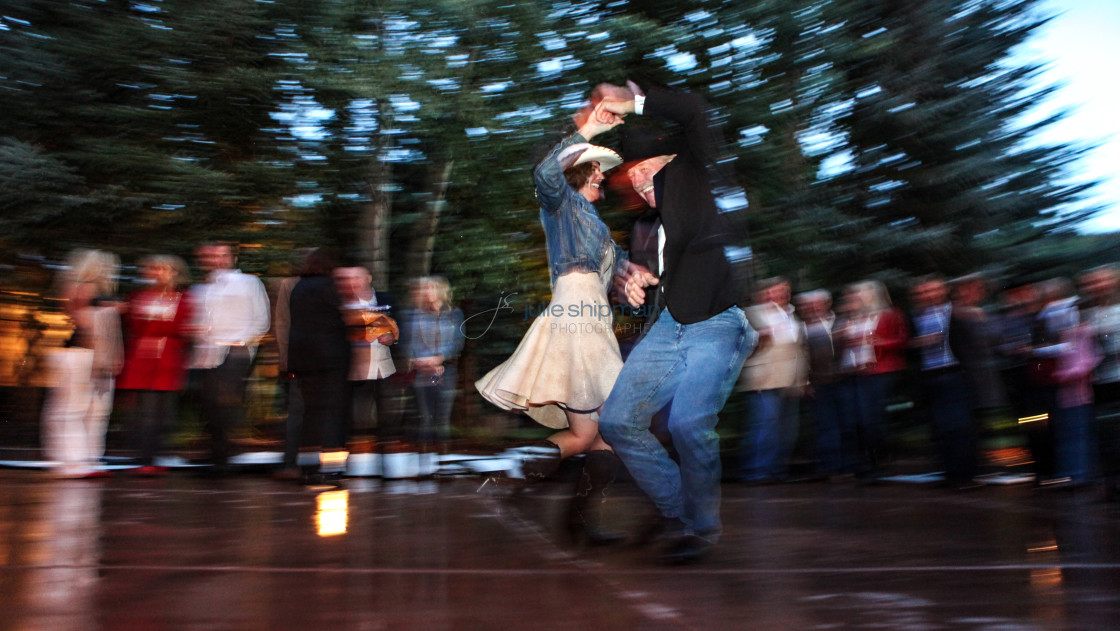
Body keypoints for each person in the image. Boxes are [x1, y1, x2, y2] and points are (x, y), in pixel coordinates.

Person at [596, 81, 756, 564]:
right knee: (617, 421)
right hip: (669, 326)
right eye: (634, 180)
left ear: (668, 161)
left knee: (688, 424)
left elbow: (696, 111)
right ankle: (681, 510)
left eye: (646, 173)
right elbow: (642, 282)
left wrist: (635, 103)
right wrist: (628, 281)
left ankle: (701, 529)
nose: (641, 187)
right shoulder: (649, 227)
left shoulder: (697, 174)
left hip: (718, 323)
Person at [476, 102, 632, 544]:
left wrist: (633, 273)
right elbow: (546, 174)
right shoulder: (561, 204)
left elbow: (617, 264)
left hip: (593, 320)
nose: (602, 173)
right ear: (578, 173)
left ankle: (548, 503)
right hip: (576, 318)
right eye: (595, 168)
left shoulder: (595, 222)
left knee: (592, 435)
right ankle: (519, 487)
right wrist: (584, 129)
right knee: (604, 428)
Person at [40, 249, 124, 478]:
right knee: (74, 409)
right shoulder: (79, 290)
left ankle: (85, 459)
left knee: (93, 411)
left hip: (95, 357)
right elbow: (81, 320)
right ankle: (72, 461)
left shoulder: (91, 291)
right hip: (81, 355)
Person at [190, 241, 270, 475]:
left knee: (223, 402)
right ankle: (214, 452)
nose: (218, 260)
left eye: (223, 255)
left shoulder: (248, 283)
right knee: (208, 404)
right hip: (206, 354)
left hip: (234, 351)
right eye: (213, 255)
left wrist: (244, 342)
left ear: (233, 258)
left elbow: (261, 316)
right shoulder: (202, 288)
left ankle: (223, 458)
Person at [117, 255, 194, 475]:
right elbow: (137, 325)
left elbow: (181, 326)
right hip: (142, 361)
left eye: (163, 268)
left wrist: (159, 327)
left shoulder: (183, 298)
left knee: (163, 412)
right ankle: (145, 459)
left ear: (174, 272)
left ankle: (155, 456)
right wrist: (163, 326)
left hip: (167, 362)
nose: (157, 273)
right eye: (153, 268)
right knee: (146, 411)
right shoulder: (139, 297)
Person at [287, 249, 352, 484]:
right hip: (331, 358)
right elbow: (344, 317)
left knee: (310, 412)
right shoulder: (329, 287)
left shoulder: (298, 288)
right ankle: (331, 468)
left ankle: (308, 466)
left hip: (303, 358)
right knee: (332, 411)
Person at [910, 275, 977, 490]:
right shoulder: (915, 317)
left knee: (959, 426)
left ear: (943, 291)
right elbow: (906, 346)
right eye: (922, 292)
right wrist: (916, 343)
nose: (927, 295)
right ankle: (949, 473)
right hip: (929, 376)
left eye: (932, 290)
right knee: (939, 428)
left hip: (954, 373)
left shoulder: (956, 312)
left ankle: (964, 476)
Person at [739, 277, 807, 483]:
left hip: (791, 380)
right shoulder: (752, 314)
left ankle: (777, 470)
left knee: (787, 430)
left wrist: (803, 379)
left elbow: (800, 350)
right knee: (765, 426)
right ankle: (757, 471)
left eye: (784, 291)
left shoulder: (792, 315)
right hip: (764, 379)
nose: (780, 295)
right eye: (774, 291)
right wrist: (758, 336)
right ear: (764, 293)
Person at [842, 280, 909, 482]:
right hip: (858, 373)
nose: (857, 298)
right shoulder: (853, 318)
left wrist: (882, 343)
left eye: (860, 294)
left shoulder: (890, 314)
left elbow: (903, 340)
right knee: (860, 419)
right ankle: (867, 464)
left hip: (882, 371)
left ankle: (879, 462)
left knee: (872, 419)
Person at [335, 265, 400, 445]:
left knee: (389, 419)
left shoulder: (385, 299)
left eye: (357, 277)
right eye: (348, 279)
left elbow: (399, 328)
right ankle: (360, 458)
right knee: (358, 419)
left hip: (385, 369)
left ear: (368, 278)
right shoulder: (342, 304)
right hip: (357, 371)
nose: (352, 282)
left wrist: (393, 339)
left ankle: (388, 459)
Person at [797, 289, 851, 479]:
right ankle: (830, 467)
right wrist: (805, 382)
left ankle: (849, 465)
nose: (813, 307)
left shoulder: (844, 321)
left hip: (846, 380)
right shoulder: (802, 328)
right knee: (826, 426)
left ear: (827, 303)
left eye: (817, 303)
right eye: (809, 304)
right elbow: (800, 358)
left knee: (849, 423)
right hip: (819, 383)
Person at [404, 276, 464, 447]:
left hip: (446, 372)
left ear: (441, 290)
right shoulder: (416, 315)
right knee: (425, 418)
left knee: (442, 419)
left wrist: (438, 359)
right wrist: (422, 362)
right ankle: (426, 464)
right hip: (423, 373)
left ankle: (443, 463)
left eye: (432, 287)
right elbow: (411, 342)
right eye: (426, 288)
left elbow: (457, 343)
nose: (428, 291)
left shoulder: (454, 314)